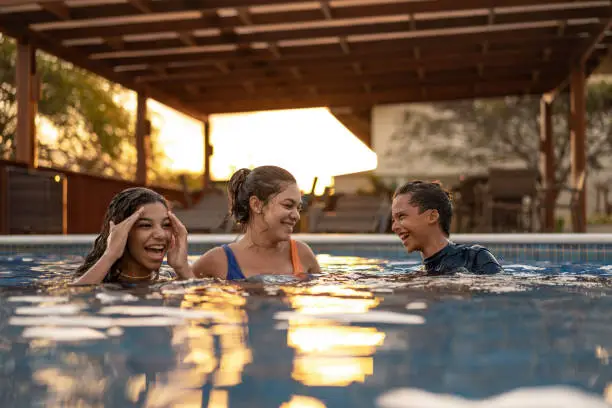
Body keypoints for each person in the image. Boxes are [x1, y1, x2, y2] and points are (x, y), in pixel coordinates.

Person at [192, 165, 320, 280]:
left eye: (298, 208)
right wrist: (180, 266)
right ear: (256, 205)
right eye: (288, 205)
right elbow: (183, 294)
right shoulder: (219, 260)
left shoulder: (302, 253)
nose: (297, 216)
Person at [73, 187, 193, 285]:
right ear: (121, 231)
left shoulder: (170, 278)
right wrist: (110, 255)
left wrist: (182, 268)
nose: (160, 235)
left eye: (166, 225)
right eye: (146, 225)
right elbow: (76, 299)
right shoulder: (98, 281)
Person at [391, 181, 502, 275]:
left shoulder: (475, 258)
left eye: (401, 217)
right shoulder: (420, 274)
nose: (394, 227)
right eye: (393, 220)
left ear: (432, 216)